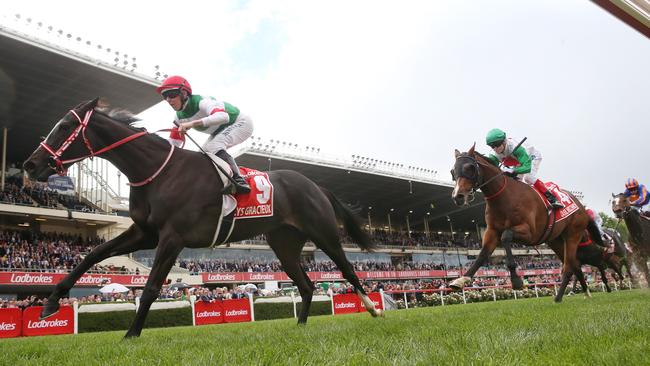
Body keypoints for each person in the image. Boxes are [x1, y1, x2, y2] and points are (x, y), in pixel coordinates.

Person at [156, 75, 253, 194]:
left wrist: (191, 124)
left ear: (184, 93)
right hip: (220, 130)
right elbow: (173, 145)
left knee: (214, 146)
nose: (168, 100)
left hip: (241, 122)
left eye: (171, 94)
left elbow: (224, 116)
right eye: (164, 96)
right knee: (200, 156)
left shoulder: (202, 101)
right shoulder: (179, 117)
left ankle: (238, 181)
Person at [485, 128, 563, 209]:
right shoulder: (494, 153)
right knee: (514, 181)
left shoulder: (515, 148)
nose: (495, 149)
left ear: (504, 141)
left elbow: (527, 167)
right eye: (492, 146)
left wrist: (512, 170)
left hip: (531, 158)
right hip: (518, 162)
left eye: (497, 145)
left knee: (528, 178)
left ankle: (552, 199)